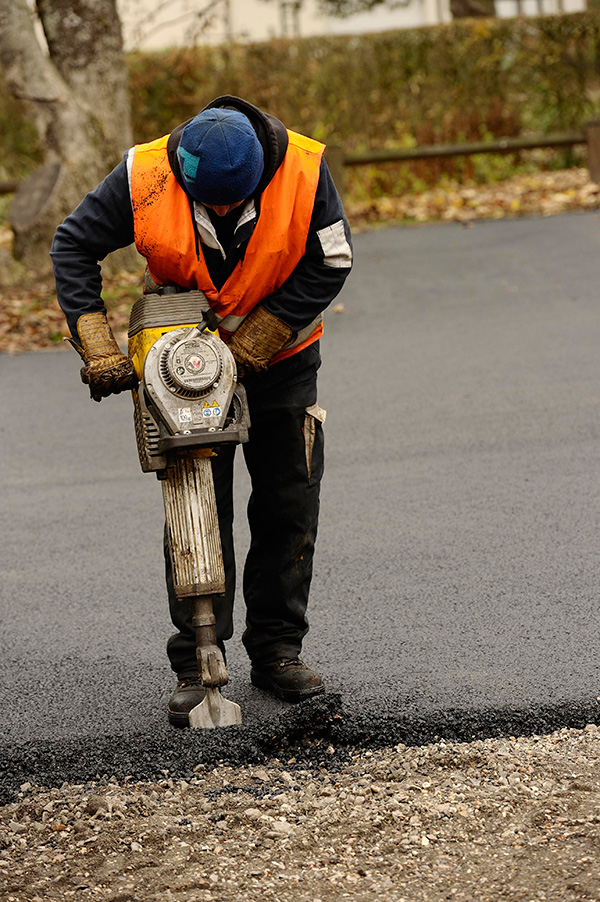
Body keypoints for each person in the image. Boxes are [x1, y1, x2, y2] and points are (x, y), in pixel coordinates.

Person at [51, 95, 353, 726]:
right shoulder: (147, 173)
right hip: (180, 367)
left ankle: (277, 652)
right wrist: (97, 341)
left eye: (230, 202)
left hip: (283, 361)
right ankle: (196, 662)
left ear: (259, 175)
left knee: (287, 504)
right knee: (195, 508)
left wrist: (257, 341)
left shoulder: (302, 168)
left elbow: (331, 260)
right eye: (206, 201)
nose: (218, 210)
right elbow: (73, 244)